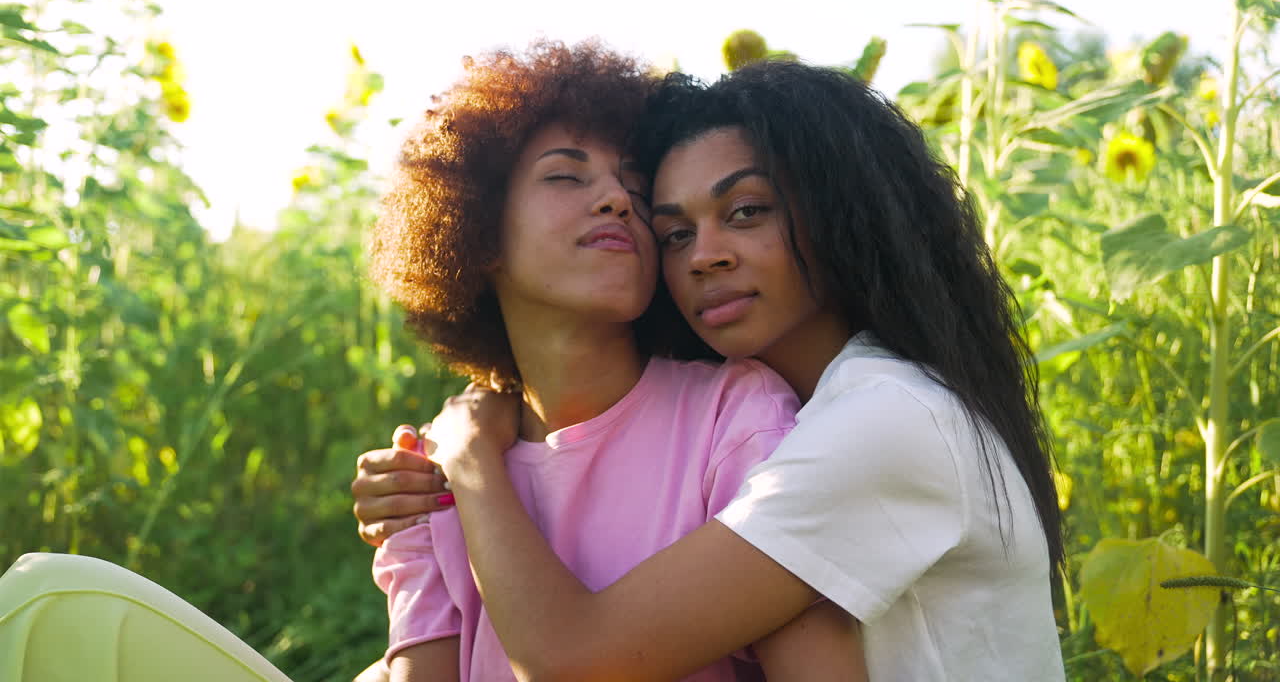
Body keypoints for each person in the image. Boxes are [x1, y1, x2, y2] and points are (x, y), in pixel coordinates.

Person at [354, 61, 1067, 681]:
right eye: (675, 233)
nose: (705, 257)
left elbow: (575, 660)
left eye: (747, 211)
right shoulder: (823, 408)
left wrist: (470, 455)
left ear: (839, 213)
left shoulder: (884, 418)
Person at [362, 40, 865, 682]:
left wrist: (472, 460)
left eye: (634, 182)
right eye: (567, 175)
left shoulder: (737, 416)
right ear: (476, 228)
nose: (616, 200)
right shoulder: (424, 471)